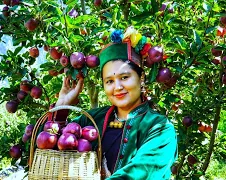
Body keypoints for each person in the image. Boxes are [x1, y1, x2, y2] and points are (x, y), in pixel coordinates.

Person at [54, 41, 178, 179]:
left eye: (124, 77)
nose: (117, 87)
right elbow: (48, 146)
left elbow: (141, 172)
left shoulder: (159, 127)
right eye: (109, 81)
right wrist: (61, 108)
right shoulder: (92, 119)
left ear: (141, 78)